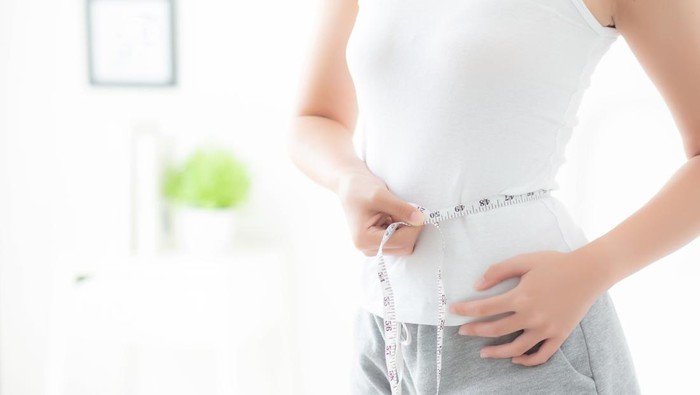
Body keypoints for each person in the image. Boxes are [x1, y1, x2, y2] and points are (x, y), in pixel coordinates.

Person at [287, 0, 700, 393]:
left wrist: (592, 270)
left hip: (526, 336)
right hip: (383, 332)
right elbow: (316, 116)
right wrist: (347, 179)